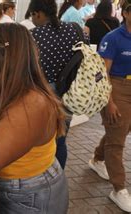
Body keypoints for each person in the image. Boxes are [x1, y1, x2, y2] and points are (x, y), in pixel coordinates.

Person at [0, 23, 68, 213]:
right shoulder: (9, 88)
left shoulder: (32, 104)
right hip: (16, 188)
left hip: (30, 195)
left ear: (6, 58)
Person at [28, 0, 82, 169]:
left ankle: (42, 175)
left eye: (32, 16)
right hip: (70, 90)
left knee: (40, 140)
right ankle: (58, 176)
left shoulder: (33, 36)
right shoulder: (74, 29)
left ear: (38, 13)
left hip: (44, 92)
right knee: (61, 140)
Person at [88, 0, 131, 212]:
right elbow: (102, 75)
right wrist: (110, 101)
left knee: (119, 129)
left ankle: (97, 158)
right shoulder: (113, 38)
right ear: (126, 13)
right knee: (117, 141)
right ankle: (119, 189)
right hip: (116, 86)